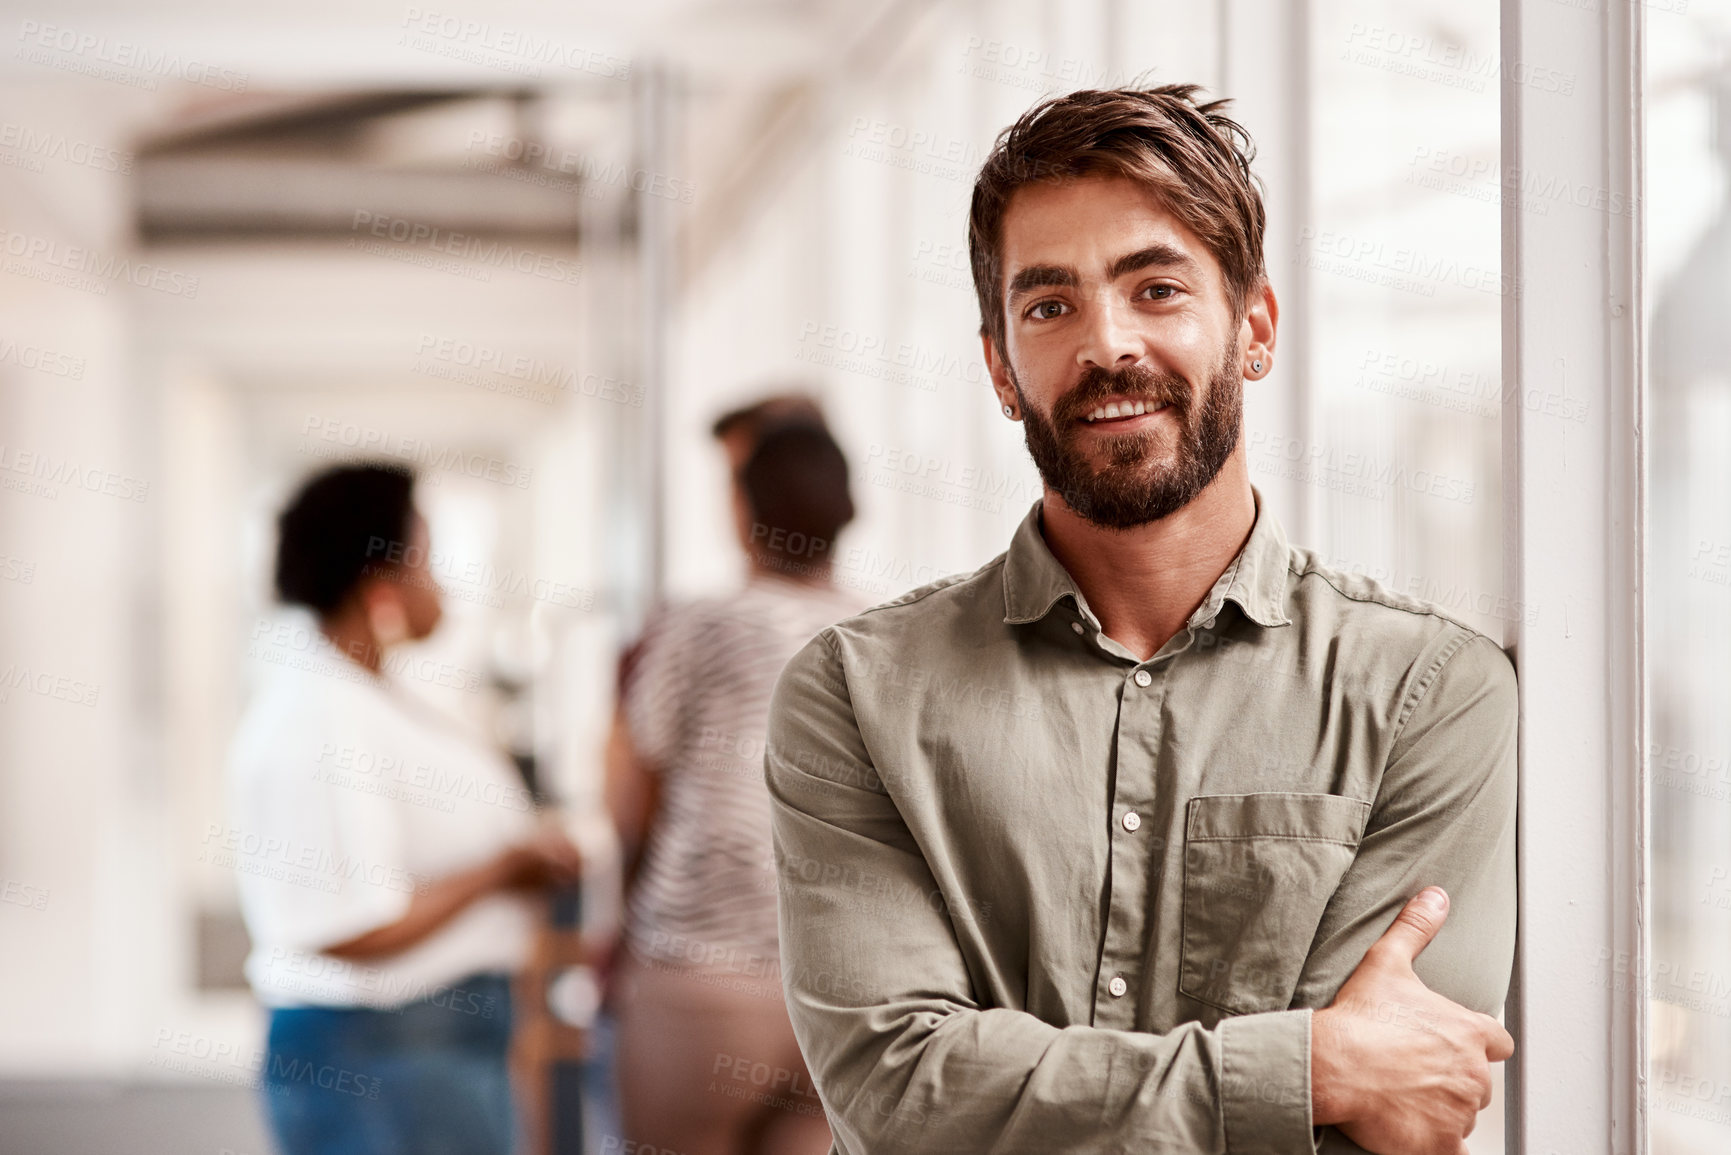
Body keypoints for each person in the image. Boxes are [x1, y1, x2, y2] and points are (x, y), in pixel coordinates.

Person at [766, 85, 1517, 1154]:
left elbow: (1396, 1111)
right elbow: (896, 1090)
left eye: (1156, 288)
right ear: (999, 366)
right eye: (1048, 305)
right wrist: (1301, 1070)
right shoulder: (856, 692)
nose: (1106, 345)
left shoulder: (1428, 692)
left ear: (1252, 327)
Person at [227, 463, 583, 1155]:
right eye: (426, 558)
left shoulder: (367, 695)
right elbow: (343, 922)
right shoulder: (317, 718)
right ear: (380, 585)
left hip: (432, 1045)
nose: (439, 583)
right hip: (380, 1053)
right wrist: (503, 868)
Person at [605, 413, 863, 1155]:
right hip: (834, 990)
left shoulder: (698, 625)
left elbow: (633, 797)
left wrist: (622, 921)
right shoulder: (887, 629)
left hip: (697, 975)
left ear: (741, 511)